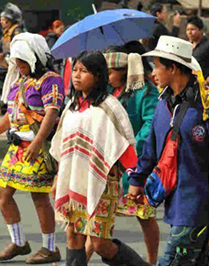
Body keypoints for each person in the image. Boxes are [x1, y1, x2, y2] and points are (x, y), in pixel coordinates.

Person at [128, 35, 209, 265]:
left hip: (201, 205)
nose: (153, 73)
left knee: (172, 261)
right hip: (175, 204)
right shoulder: (164, 104)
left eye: (157, 66)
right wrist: (137, 180)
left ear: (173, 68)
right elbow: (151, 148)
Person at [50, 50, 150, 266]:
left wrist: (135, 180)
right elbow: (64, 148)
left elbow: (123, 146)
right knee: (73, 236)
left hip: (102, 183)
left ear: (97, 75)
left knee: (99, 244)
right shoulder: (71, 107)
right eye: (75, 70)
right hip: (74, 182)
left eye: (83, 71)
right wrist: (59, 177)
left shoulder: (109, 106)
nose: (76, 75)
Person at [0, 33, 63, 264]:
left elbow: (51, 113)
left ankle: (50, 248)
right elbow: (12, 114)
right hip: (17, 148)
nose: (19, 66)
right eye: (17, 62)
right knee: (1, 192)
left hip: (38, 147)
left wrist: (37, 143)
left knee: (39, 197)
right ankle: (18, 242)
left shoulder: (51, 80)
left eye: (23, 62)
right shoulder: (20, 81)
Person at [101, 44, 159, 264]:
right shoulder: (109, 91)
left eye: (110, 73)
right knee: (100, 216)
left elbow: (151, 123)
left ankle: (152, 261)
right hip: (109, 161)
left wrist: (133, 147)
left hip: (136, 161)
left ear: (123, 72)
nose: (107, 77)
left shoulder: (145, 91)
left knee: (144, 215)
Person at [186, 16, 209, 85]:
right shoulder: (187, 46)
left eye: (192, 29)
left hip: (205, 86)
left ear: (201, 30)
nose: (189, 32)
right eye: (188, 30)